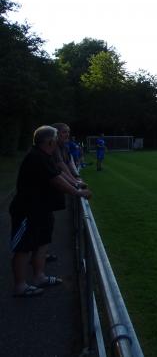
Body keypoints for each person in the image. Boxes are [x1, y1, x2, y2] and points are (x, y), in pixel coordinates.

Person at [9, 125, 92, 297]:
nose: (59, 141)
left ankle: (39, 277)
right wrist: (77, 192)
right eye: (56, 137)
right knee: (23, 248)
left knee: (42, 242)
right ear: (50, 141)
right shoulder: (36, 157)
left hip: (41, 209)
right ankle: (20, 286)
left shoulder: (45, 156)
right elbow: (56, 180)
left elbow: (59, 174)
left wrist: (75, 184)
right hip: (27, 211)